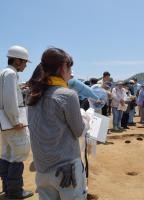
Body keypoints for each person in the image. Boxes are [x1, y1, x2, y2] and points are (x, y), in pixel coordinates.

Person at [27, 47, 87, 199]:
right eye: (70, 67)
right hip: (66, 170)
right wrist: (86, 120)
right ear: (63, 66)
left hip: (42, 169)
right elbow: (79, 131)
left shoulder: (33, 94)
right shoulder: (68, 95)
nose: (70, 72)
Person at [0, 45, 33, 199]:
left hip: (4, 124)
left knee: (6, 155)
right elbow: (9, 100)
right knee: (19, 155)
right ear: (18, 61)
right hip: (12, 123)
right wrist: (15, 120)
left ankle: (7, 188)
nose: (25, 66)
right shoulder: (11, 74)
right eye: (25, 62)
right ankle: (14, 192)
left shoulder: (4, 72)